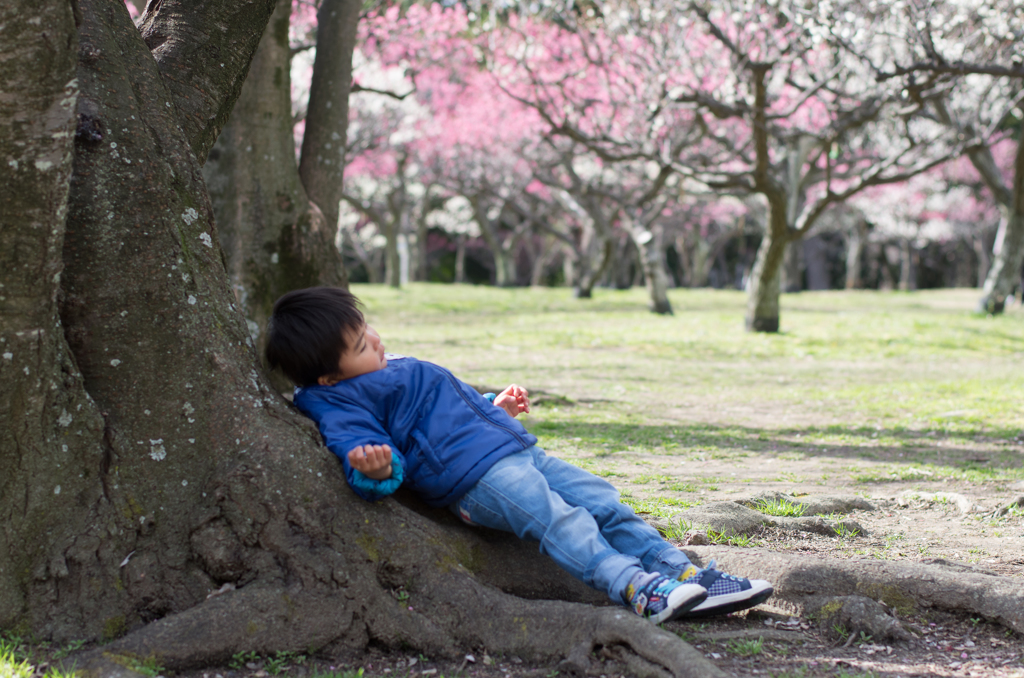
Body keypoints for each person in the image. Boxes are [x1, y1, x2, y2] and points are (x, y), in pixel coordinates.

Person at [265, 287, 773, 624]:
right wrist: (374, 471)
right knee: (562, 519)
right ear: (329, 374)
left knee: (601, 500)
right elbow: (364, 450)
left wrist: (495, 408)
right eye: (359, 344)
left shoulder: (382, 367)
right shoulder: (333, 399)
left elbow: (440, 417)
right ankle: (638, 589)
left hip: (515, 450)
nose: (373, 340)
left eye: (366, 327)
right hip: (478, 480)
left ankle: (679, 570)